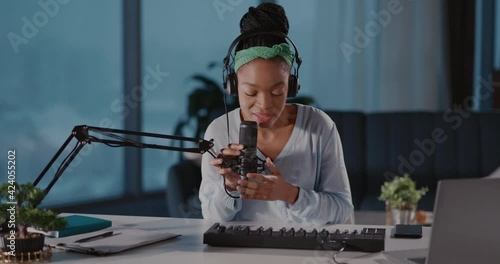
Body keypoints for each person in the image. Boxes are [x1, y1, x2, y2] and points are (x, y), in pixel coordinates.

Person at [199, 3, 353, 225]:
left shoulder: (319, 126)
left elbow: (342, 208)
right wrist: (229, 187)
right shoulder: (219, 131)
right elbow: (212, 219)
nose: (264, 105)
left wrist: (291, 194)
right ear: (232, 85)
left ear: (291, 86)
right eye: (251, 92)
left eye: (277, 91)